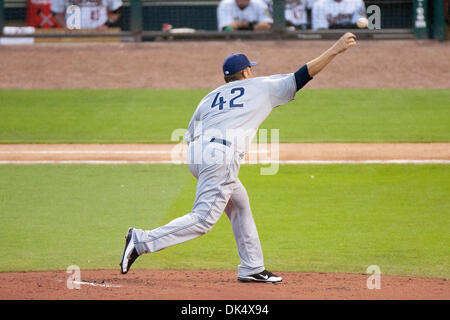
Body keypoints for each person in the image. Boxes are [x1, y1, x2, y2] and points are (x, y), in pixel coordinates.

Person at [120, 32, 357, 283]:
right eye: (250, 69)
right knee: (202, 219)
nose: (252, 73)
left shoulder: (209, 97)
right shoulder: (261, 86)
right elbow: (303, 75)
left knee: (239, 205)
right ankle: (141, 240)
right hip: (221, 156)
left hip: (197, 155)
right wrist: (336, 49)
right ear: (245, 73)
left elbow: (191, 135)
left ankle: (252, 267)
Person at [51, 0, 122, 30]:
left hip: (99, 33)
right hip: (73, 34)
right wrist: (66, 25)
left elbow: (117, 10)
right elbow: (55, 12)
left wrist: (106, 24)